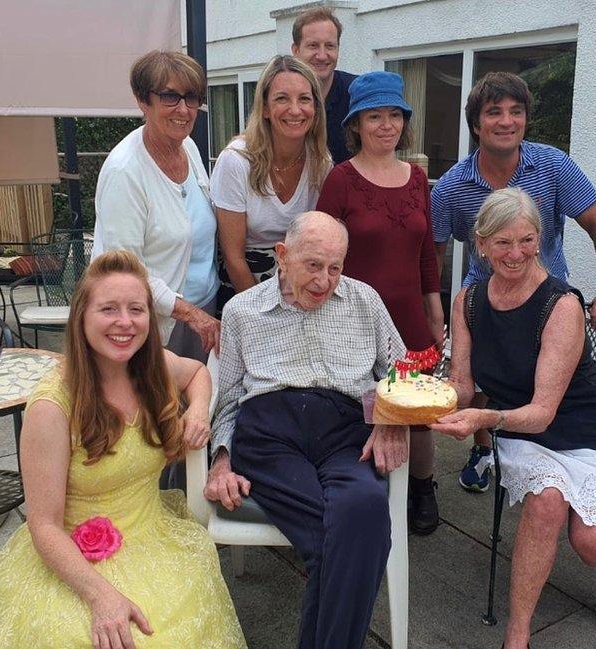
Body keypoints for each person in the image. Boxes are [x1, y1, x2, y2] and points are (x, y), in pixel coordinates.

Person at [430, 188, 596, 649]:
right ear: (481, 245)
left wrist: (481, 418)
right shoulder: (468, 301)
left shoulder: (560, 304)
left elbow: (543, 411)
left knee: (592, 543)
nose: (516, 253)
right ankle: (518, 633)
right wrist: (425, 402)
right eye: (503, 243)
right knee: (547, 501)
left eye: (527, 240)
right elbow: (463, 385)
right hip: (522, 431)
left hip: (586, 430)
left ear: (540, 239)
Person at [0, 251, 245, 649]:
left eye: (136, 309)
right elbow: (43, 525)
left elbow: (199, 372)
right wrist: (101, 596)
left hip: (155, 535)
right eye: (108, 309)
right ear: (81, 317)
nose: (124, 322)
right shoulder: (53, 407)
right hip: (75, 558)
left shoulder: (151, 368)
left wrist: (199, 411)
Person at [205, 212, 408, 649]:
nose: (325, 280)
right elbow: (225, 400)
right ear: (282, 256)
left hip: (345, 433)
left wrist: (392, 419)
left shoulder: (365, 301)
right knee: (357, 539)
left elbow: (404, 370)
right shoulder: (242, 311)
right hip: (269, 438)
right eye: (313, 266)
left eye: (335, 268)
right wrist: (220, 460)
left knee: (366, 507)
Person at [431, 71, 596, 492]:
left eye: (515, 112)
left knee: (551, 386)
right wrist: (438, 313)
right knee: (480, 379)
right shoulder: (450, 186)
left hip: (546, 303)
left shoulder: (554, 166)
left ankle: (553, 466)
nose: (506, 121)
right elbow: (434, 253)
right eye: (494, 112)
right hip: (484, 302)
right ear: (476, 123)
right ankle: (486, 450)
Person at [316, 71, 443, 535]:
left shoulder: (417, 180)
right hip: (351, 320)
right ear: (356, 124)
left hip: (409, 319)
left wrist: (435, 312)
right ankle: (362, 489)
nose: (386, 125)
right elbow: (322, 251)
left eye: (394, 115)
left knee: (415, 411)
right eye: (375, 116)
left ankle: (422, 487)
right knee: (360, 408)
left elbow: (426, 251)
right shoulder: (340, 180)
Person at [93, 50, 220, 363]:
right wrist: (190, 314)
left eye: (192, 98)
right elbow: (125, 270)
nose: (183, 109)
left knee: (199, 403)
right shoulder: (126, 172)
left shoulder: (187, 147)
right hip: (154, 323)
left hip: (202, 307)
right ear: (142, 100)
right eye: (169, 97)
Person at [211, 55, 332, 310]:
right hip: (243, 289)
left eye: (304, 99)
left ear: (315, 108)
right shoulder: (236, 161)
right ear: (264, 108)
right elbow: (233, 258)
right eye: (282, 98)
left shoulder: (321, 163)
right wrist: (266, 313)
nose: (295, 109)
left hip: (299, 288)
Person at [291, 6, 357, 163]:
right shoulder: (280, 96)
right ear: (296, 50)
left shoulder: (357, 93)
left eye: (330, 46)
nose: (322, 56)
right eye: (313, 45)